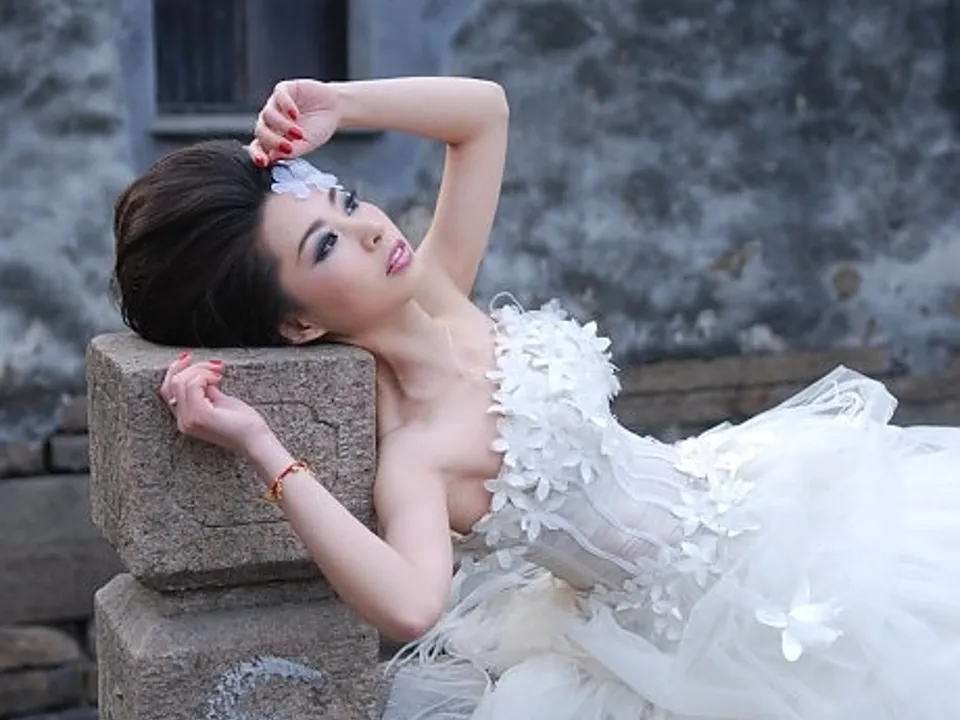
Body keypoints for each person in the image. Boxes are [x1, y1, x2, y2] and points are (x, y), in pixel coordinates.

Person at [113, 76, 960, 720]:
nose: (371, 227)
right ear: (298, 325)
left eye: (348, 200)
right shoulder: (418, 450)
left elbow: (483, 113)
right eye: (327, 244)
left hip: (757, 502)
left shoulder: (441, 291)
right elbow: (410, 606)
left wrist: (340, 100)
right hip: (692, 630)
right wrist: (261, 446)